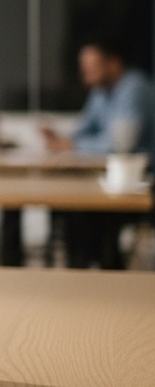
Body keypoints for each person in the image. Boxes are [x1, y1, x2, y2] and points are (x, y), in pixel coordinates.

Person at [42, 38, 153, 269]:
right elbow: (83, 130)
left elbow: (120, 145)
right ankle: (81, 274)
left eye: (92, 67)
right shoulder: (101, 91)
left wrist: (72, 146)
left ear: (113, 64)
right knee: (70, 210)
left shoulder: (134, 88)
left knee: (88, 217)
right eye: (84, 68)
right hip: (109, 179)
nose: (85, 74)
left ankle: (104, 271)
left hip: (141, 182)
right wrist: (63, 139)